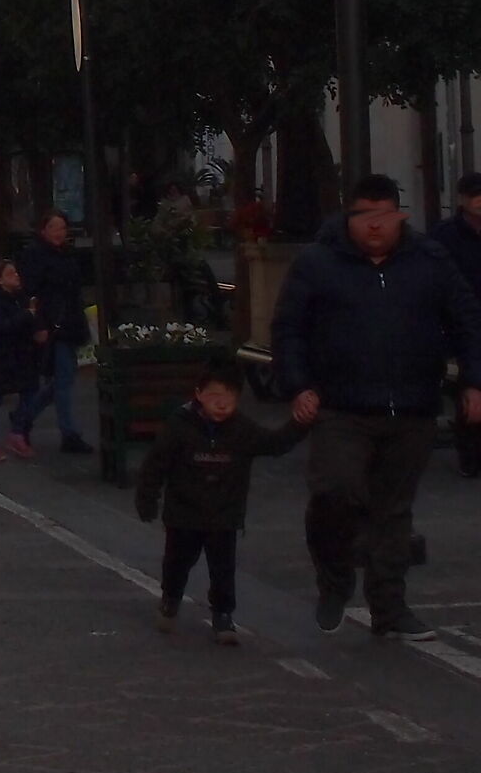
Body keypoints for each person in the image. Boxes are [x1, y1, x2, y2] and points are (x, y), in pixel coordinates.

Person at [272, 171, 481, 638]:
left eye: (382, 216)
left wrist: (474, 382)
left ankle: (390, 606)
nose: (373, 226)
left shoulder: (430, 260)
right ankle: (335, 577)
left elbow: (468, 320)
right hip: (341, 406)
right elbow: (288, 329)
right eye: (363, 216)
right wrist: (298, 385)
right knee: (335, 492)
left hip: (412, 405)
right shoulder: (318, 264)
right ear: (349, 217)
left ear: (398, 216)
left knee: (393, 511)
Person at [135, 354, 309, 643]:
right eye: (214, 395)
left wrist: (300, 424)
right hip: (184, 513)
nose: (221, 402)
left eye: (229, 396)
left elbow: (274, 443)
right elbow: (156, 464)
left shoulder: (241, 429)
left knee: (223, 568)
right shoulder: (180, 425)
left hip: (224, 515)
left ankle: (223, 614)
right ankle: (170, 597)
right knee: (177, 562)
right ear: (199, 394)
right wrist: (147, 498)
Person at [15, 209, 93, 455]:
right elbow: (31, 292)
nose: (59, 233)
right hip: (53, 323)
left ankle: (23, 419)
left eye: (62, 228)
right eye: (54, 228)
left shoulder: (66, 255)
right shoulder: (35, 256)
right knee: (62, 379)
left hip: (69, 321)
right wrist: (38, 324)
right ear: (43, 230)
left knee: (62, 379)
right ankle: (67, 432)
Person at [432, 172, 481, 476]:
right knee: (469, 386)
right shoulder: (445, 236)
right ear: (462, 199)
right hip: (460, 321)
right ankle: (472, 455)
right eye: (474, 194)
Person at [0, 259, 43, 464]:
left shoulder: (18, 298)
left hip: (18, 355)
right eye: (10, 274)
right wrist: (26, 316)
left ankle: (16, 432)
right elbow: (1, 326)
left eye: (16, 272)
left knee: (30, 391)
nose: (16, 276)